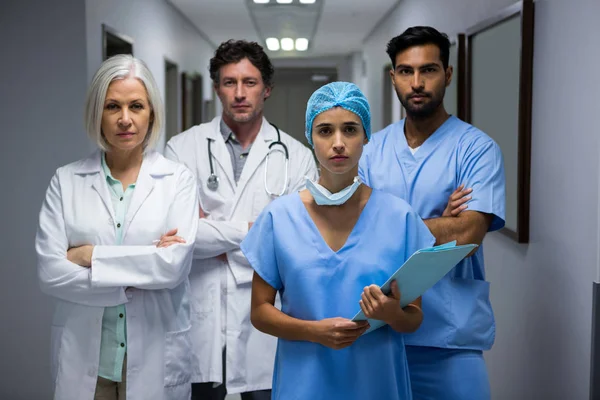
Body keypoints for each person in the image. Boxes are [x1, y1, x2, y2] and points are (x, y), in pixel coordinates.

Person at [240, 82, 438, 400]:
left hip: (377, 384)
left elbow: (413, 318)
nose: (338, 143)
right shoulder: (279, 218)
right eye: (325, 131)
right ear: (310, 137)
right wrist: (314, 332)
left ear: (366, 136)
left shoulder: (399, 217)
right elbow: (260, 311)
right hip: (303, 384)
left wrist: (390, 314)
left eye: (350, 130)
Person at [35, 54, 199, 400]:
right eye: (113, 106)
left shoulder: (177, 180)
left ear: (151, 112)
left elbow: (172, 268)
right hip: (86, 358)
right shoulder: (66, 181)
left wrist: (88, 256)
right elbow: (50, 272)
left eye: (136, 106)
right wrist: (139, 268)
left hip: (156, 355)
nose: (125, 119)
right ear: (98, 112)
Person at [165, 39, 318, 400]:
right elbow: (175, 235)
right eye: (229, 82)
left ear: (266, 89)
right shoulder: (181, 148)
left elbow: (294, 243)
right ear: (217, 87)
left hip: (266, 324)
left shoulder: (297, 158)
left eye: (249, 82)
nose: (239, 93)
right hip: (200, 318)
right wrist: (254, 232)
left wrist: (211, 233)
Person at [359, 26, 506, 400]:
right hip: (380, 330)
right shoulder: (372, 150)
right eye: (406, 71)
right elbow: (349, 232)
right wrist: (441, 222)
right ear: (393, 77)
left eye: (429, 70)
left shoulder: (476, 149)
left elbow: (469, 234)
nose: (417, 82)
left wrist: (384, 223)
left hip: (450, 339)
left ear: (449, 74)